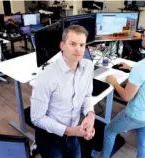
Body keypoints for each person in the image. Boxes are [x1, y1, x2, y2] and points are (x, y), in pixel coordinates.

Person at [99, 19, 145, 158]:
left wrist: (114, 82)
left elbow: (126, 97)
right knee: (143, 142)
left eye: (143, 35)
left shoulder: (143, 66)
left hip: (137, 114)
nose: (141, 37)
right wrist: (131, 68)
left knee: (109, 130)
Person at [30, 25, 95, 158]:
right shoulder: (46, 76)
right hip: (50, 139)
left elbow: (87, 95)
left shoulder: (88, 67)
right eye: (73, 44)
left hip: (73, 135)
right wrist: (69, 131)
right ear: (62, 45)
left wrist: (90, 115)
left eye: (82, 45)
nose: (78, 49)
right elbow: (37, 118)